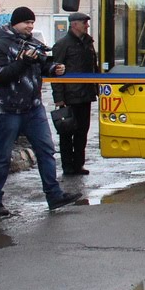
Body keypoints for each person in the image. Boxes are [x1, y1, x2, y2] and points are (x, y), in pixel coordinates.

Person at [0, 7, 83, 216]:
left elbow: (42, 65)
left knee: (46, 151)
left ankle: (54, 195)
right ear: (14, 23)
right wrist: (22, 62)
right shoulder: (0, 45)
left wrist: (54, 68)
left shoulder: (32, 43)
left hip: (33, 108)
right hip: (8, 109)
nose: (30, 26)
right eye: (26, 22)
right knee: (2, 157)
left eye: (32, 22)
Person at [51, 12, 99, 176]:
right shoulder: (63, 44)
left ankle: (78, 164)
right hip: (70, 96)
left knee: (82, 131)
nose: (87, 25)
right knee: (66, 132)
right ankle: (68, 166)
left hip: (85, 94)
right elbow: (55, 72)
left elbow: (94, 67)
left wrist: (97, 88)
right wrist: (59, 99)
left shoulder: (88, 43)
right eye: (84, 22)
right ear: (74, 24)